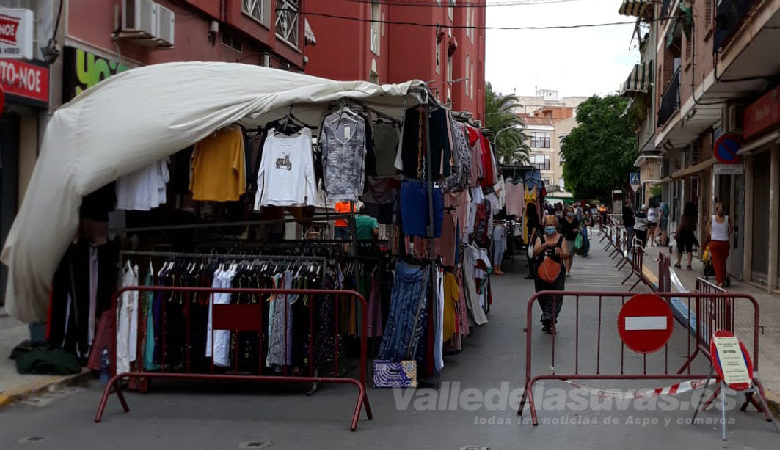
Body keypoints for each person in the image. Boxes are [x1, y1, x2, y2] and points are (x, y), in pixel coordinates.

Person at [533, 215, 568, 333]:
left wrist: (560, 253)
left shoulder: (561, 238)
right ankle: (547, 319)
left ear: (556, 226)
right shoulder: (540, 238)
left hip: (557, 272)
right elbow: (535, 252)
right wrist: (546, 245)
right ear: (544, 226)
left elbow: (566, 254)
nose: (549, 227)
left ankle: (550, 321)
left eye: (551, 225)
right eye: (547, 225)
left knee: (555, 297)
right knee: (542, 296)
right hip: (541, 272)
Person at [706, 203, 733, 287]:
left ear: (716, 210)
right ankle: (723, 279)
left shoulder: (712, 218)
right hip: (724, 243)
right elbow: (731, 228)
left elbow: (707, 227)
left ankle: (720, 281)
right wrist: (727, 234)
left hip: (714, 242)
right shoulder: (728, 218)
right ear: (724, 210)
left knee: (716, 263)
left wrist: (710, 234)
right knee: (722, 262)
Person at [675, 202, 698, 270]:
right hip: (690, 233)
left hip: (683, 233)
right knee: (689, 249)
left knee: (680, 249)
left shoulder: (684, 216)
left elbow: (681, 225)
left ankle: (678, 263)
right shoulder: (694, 217)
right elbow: (694, 225)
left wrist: (677, 233)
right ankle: (689, 265)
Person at [558, 206, 580, 274]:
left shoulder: (575, 219)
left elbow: (578, 227)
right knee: (566, 255)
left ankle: (568, 269)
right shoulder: (562, 220)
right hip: (565, 238)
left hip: (573, 239)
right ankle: (566, 270)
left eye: (571, 211)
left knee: (570, 256)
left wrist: (577, 230)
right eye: (569, 211)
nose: (570, 213)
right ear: (565, 212)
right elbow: (559, 228)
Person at [525, 204, 542, 279]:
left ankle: (532, 273)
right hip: (534, 237)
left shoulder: (533, 217)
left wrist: (531, 238)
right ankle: (534, 272)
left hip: (533, 237)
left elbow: (534, 228)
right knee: (533, 255)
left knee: (530, 255)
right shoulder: (535, 216)